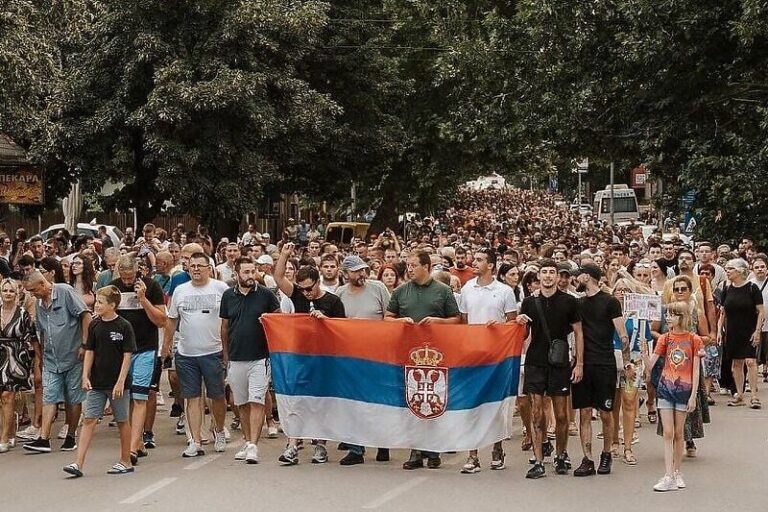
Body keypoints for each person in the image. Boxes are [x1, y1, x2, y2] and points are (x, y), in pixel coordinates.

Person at [385, 250, 461, 470]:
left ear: (426, 266)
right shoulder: (401, 291)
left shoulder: (443, 291)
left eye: (413, 265)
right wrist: (401, 322)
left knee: (435, 400)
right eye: (407, 265)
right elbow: (387, 318)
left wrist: (438, 322)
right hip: (408, 354)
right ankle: (415, 450)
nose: (409, 269)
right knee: (413, 401)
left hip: (436, 356)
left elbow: (456, 320)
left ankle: (434, 449)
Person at [274, 242, 346, 465]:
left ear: (318, 282)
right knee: (297, 401)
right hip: (301, 356)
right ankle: (293, 445)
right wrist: (284, 256)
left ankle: (321, 446)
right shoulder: (297, 296)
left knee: (321, 403)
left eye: (309, 288)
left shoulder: (333, 301)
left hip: (325, 359)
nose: (306, 293)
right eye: (302, 289)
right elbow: (278, 279)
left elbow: (343, 331)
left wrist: (326, 321)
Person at [516, 259, 582, 478]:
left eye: (551, 272)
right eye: (544, 272)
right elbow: (523, 336)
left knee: (562, 415)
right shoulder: (528, 302)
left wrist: (579, 363)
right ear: (539, 277)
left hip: (559, 362)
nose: (548, 276)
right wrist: (520, 323)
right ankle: (538, 460)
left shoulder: (569, 302)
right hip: (535, 361)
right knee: (537, 414)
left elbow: (578, 333)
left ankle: (561, 455)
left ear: (557, 276)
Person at [62, 286, 136, 477]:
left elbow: (127, 356)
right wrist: (85, 375)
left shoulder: (124, 326)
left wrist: (120, 381)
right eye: (96, 301)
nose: (97, 305)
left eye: (101, 302)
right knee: (89, 419)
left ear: (112, 305)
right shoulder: (95, 325)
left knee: (122, 421)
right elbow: (90, 351)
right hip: (97, 382)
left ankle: (125, 460)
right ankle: (78, 463)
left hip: (117, 384)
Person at [456, 248, 519, 474]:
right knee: (471, 404)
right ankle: (472, 455)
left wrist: (499, 328)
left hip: (497, 358)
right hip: (472, 357)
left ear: (491, 265)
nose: (475, 262)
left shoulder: (504, 291)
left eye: (480, 260)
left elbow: (513, 324)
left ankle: (497, 448)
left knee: (495, 404)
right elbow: (463, 322)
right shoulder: (467, 289)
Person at [161, 252, 230, 458]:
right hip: (186, 353)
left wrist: (227, 351)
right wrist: (166, 346)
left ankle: (218, 429)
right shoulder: (180, 290)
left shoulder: (221, 289)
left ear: (209, 268)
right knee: (191, 397)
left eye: (200, 265)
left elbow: (228, 321)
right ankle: (195, 440)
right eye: (192, 266)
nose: (196, 269)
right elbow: (172, 320)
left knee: (216, 395)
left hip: (213, 352)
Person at [22, 271, 91, 453]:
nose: (31, 294)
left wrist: (85, 344)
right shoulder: (38, 303)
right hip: (52, 358)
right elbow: (42, 331)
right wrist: (41, 356)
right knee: (49, 396)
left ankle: (71, 436)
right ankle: (44, 438)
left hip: (73, 355)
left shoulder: (65, 292)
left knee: (73, 397)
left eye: (33, 290)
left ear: (43, 285)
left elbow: (85, 315)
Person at [220, 257, 280, 465]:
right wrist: (226, 355)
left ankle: (254, 445)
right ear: (236, 274)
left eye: (252, 271)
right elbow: (225, 327)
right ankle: (247, 441)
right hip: (236, 358)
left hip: (260, 358)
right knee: (242, 403)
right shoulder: (228, 296)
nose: (250, 276)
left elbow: (278, 321)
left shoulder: (266, 295)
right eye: (245, 272)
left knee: (257, 400)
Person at [571, 263, 629, 477]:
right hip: (583, 364)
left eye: (579, 275)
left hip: (605, 362)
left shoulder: (611, 302)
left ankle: (606, 454)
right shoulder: (578, 303)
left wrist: (627, 361)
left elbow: (622, 334)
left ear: (588, 276)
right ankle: (587, 458)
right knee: (584, 412)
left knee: (606, 412)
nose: (577, 279)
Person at [334, 255, 391, 465]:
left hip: (377, 356)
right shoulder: (340, 293)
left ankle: (383, 442)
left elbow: (390, 317)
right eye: (357, 271)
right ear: (346, 274)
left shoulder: (378, 288)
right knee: (353, 403)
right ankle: (356, 448)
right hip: (351, 357)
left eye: (364, 270)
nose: (362, 274)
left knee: (379, 401)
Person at [110, 255, 167, 463]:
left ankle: (133, 447)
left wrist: (143, 299)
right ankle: (138, 443)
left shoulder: (151, 287)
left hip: (145, 349)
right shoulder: (113, 287)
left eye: (130, 277)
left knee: (140, 396)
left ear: (138, 272)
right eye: (123, 277)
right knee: (124, 398)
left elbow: (162, 321)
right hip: (120, 351)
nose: (127, 281)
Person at [646, 301, 702, 492]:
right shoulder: (665, 338)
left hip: (684, 390)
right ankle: (668, 474)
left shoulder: (694, 339)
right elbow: (651, 363)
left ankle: (677, 472)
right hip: (665, 388)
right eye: (667, 314)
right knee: (668, 432)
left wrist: (693, 396)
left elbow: (695, 370)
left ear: (681, 316)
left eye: (672, 314)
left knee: (679, 433)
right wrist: (644, 353)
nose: (668, 318)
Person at [719, 258, 764, 408]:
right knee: (736, 364)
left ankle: (754, 396)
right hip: (733, 331)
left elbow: (761, 311)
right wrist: (719, 330)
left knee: (750, 361)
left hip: (749, 330)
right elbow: (723, 312)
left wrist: (757, 331)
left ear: (740, 271)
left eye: (730, 269)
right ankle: (739, 395)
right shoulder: (727, 288)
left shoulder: (752, 288)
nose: (728, 271)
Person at [0, 278, 37, 453]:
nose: (8, 294)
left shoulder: (22, 313)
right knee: (2, 399)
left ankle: (4, 438)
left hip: (16, 356)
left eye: (11, 291)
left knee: (8, 396)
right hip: (0, 355)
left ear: (17, 294)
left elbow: (32, 337)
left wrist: (37, 361)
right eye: (5, 290)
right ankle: (12, 433)